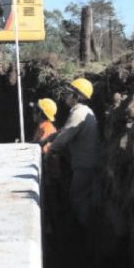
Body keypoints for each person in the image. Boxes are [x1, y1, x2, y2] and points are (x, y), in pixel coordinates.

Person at [39, 77, 99, 227]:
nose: (65, 96)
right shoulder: (82, 112)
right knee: (80, 195)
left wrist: (50, 151)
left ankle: (84, 230)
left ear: (76, 96)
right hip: (85, 163)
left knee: (78, 197)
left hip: (84, 165)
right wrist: (48, 139)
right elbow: (64, 130)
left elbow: (65, 137)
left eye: (68, 93)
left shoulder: (78, 114)